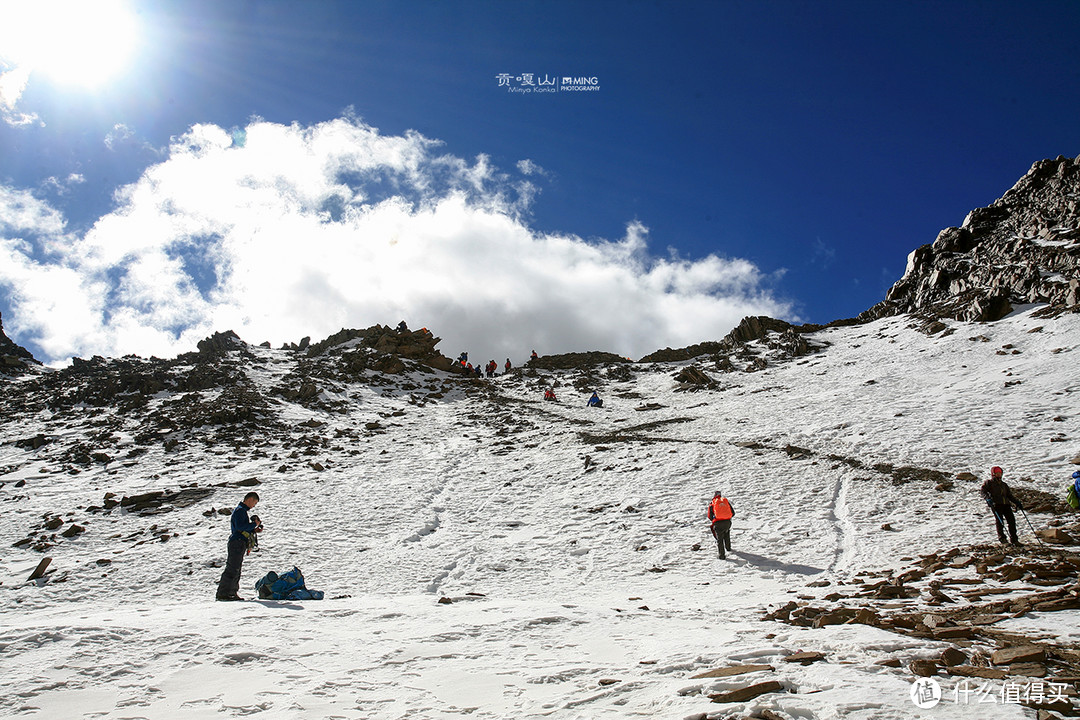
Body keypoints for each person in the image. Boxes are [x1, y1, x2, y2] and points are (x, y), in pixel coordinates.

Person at [216, 491, 264, 601]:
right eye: (254, 503)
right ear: (250, 499)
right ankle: (224, 593)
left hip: (239, 542)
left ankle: (232, 592)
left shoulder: (241, 511)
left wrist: (254, 529)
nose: (253, 506)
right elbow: (240, 526)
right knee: (233, 568)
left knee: (236, 568)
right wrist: (254, 524)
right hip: (237, 542)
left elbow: (242, 527)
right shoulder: (240, 511)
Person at [981, 466, 1022, 545]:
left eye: (1000, 473)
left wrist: (1017, 502)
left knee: (1012, 521)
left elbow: (1009, 496)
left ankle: (1014, 539)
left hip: (1006, 504)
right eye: (997, 473)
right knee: (1000, 522)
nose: (999, 474)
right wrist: (987, 498)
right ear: (993, 474)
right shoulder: (989, 483)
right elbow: (983, 491)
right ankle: (1002, 539)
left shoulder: (1004, 485)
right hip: (996, 504)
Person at [707, 491, 735, 559]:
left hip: (718, 523)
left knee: (720, 539)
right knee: (726, 533)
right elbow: (733, 513)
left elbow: (709, 516)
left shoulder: (713, 503)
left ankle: (722, 555)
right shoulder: (725, 501)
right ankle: (728, 548)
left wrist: (714, 519)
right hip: (727, 522)